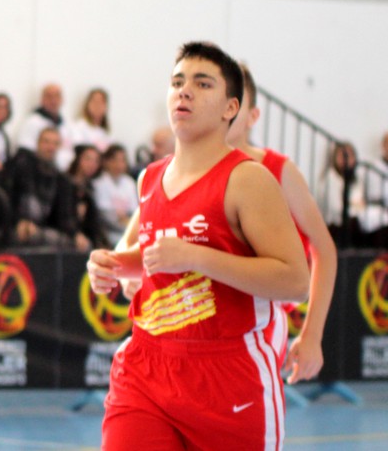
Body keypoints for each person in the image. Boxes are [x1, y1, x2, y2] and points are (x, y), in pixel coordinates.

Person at [87, 42, 308, 451]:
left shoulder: (248, 179)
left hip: (227, 375)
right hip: (147, 365)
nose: (184, 91)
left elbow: (295, 280)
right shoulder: (149, 178)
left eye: (202, 83)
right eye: (177, 82)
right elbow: (158, 259)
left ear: (231, 108)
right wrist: (114, 265)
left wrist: (196, 256)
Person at [228, 62, 337, 383]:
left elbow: (324, 248)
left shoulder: (277, 170)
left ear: (252, 116)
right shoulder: (181, 169)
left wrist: (313, 335)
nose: (225, 110)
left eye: (236, 101)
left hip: (256, 326)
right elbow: (135, 238)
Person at [4, 127, 79, 248]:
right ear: (38, 144)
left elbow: (64, 214)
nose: (50, 147)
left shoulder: (61, 179)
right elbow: (7, 197)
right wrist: (18, 221)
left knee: (76, 244)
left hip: (44, 229)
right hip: (15, 225)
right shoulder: (21, 167)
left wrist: (75, 234)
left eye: (55, 143)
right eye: (46, 142)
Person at [17, 82, 71, 169]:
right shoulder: (32, 122)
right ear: (42, 99)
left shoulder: (65, 125)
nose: (53, 100)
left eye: (57, 96)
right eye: (49, 96)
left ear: (62, 99)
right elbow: (25, 153)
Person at [93, 144, 138, 247]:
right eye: (114, 160)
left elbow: (134, 212)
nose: (118, 165)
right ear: (106, 162)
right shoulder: (99, 183)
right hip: (109, 231)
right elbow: (104, 214)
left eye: (122, 160)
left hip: (127, 228)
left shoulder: (129, 182)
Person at [65, 87, 113, 153]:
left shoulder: (106, 133)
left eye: (101, 102)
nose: (97, 105)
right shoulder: (77, 128)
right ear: (87, 104)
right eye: (94, 101)